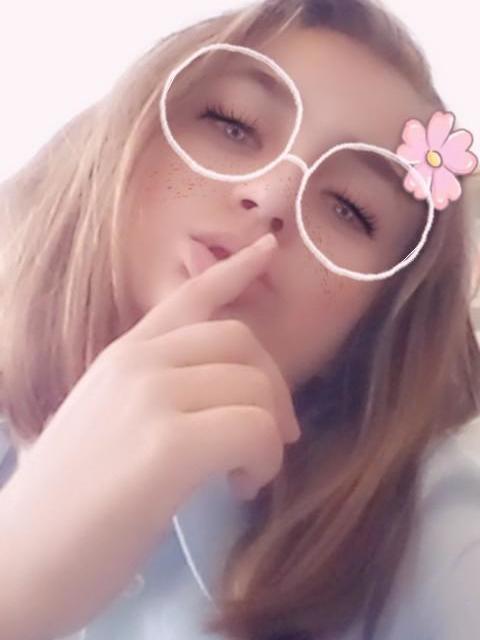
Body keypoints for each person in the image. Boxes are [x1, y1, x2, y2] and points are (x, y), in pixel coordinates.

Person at [0, 0, 479, 638]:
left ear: (373, 325)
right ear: (127, 135)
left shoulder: (432, 534)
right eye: (233, 126)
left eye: (349, 208)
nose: (274, 195)